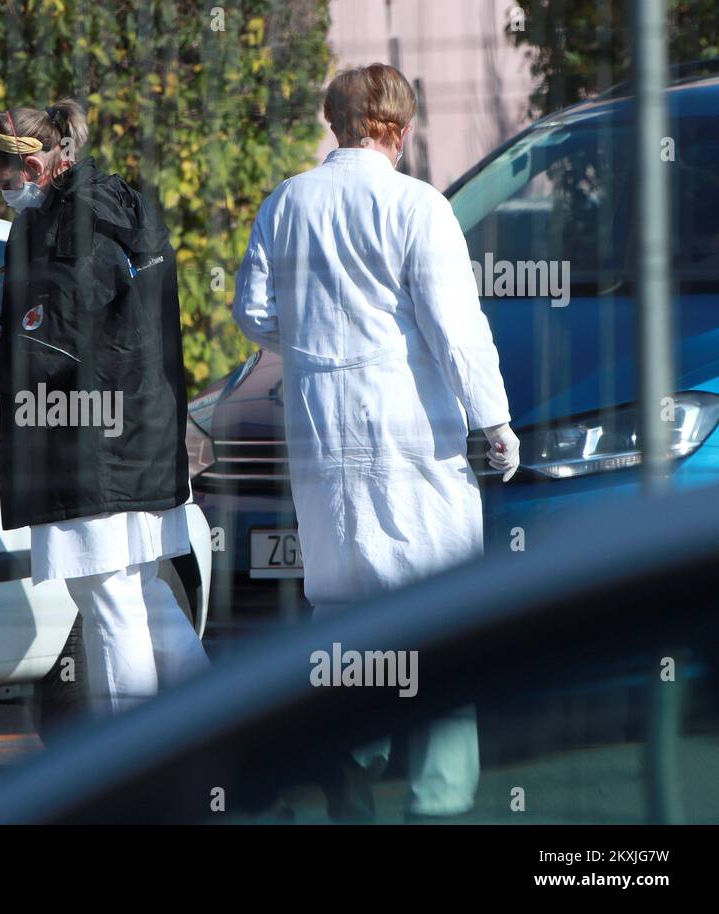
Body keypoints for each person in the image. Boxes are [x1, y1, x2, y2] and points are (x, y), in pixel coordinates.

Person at [232, 63, 520, 820]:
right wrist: (494, 422)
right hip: (410, 433)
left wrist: (317, 345)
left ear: (337, 122)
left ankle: (345, 777)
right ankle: (438, 801)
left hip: (323, 428)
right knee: (440, 616)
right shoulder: (417, 207)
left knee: (343, 606)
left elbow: (253, 311)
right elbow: (457, 333)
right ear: (396, 127)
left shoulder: (286, 203)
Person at [0, 99, 210, 716]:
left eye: (4, 182)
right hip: (126, 429)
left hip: (90, 439)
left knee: (107, 602)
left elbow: (60, 329)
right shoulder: (104, 205)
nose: (2, 195)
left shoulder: (76, 219)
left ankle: (127, 766)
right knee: (142, 594)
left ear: (37, 168)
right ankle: (217, 733)